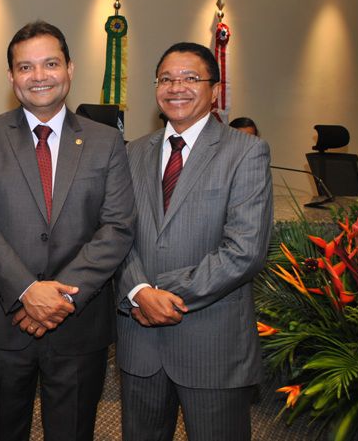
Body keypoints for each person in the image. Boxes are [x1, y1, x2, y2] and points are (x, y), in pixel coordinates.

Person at [0, 21, 136, 441]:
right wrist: (26, 291)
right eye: (26, 67)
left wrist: (57, 297)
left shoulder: (106, 141)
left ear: (70, 68)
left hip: (77, 321)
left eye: (50, 64)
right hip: (2, 319)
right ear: (11, 77)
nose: (39, 76)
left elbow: (117, 226)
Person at [116, 42, 273, 441]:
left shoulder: (246, 152)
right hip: (141, 344)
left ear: (215, 89)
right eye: (166, 78)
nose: (176, 87)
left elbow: (244, 250)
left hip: (212, 344)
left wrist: (155, 294)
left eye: (190, 78)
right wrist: (137, 290)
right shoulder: (132, 153)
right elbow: (115, 234)